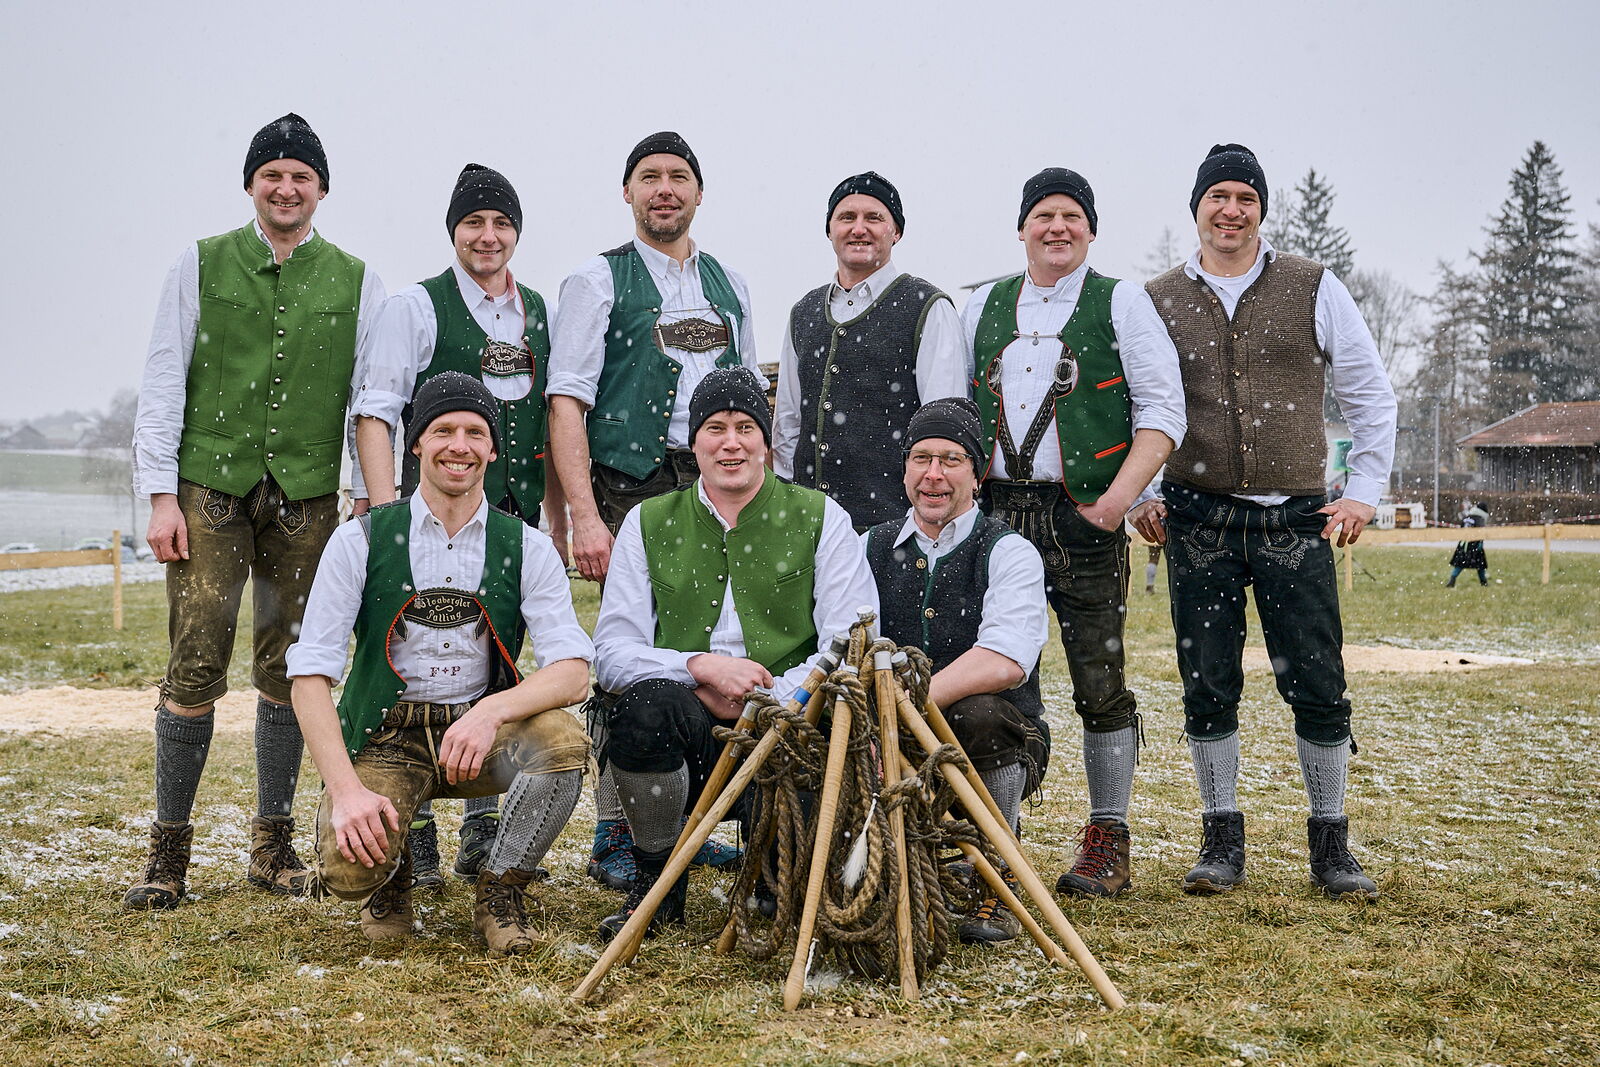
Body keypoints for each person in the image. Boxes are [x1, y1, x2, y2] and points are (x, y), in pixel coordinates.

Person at [126, 113, 385, 909]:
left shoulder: (357, 279)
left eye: (301, 175)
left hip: (308, 496)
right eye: (272, 174)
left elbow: (370, 400)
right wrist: (160, 495)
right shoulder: (200, 263)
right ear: (250, 184)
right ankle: (168, 853)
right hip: (209, 488)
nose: (286, 187)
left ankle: (271, 846)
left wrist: (368, 498)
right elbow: (164, 378)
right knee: (196, 658)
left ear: (322, 189)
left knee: (291, 664)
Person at [1138, 143, 1397, 902]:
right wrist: (1144, 491)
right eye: (1217, 197)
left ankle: (1331, 841)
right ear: (1196, 209)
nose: (1231, 211)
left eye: (1245, 198)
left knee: (1318, 680)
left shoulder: (1313, 285)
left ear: (1261, 210)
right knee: (1207, 680)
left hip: (1295, 519)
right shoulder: (1156, 298)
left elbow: (1369, 392)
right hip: (1197, 517)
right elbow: (1140, 404)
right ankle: (1221, 838)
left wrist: (1363, 491)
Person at [286, 372, 593, 954]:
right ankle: (390, 877)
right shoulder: (360, 540)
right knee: (346, 874)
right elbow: (308, 678)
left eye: (476, 433)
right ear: (416, 444)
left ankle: (501, 888)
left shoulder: (526, 545)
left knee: (562, 742)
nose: (460, 446)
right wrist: (347, 791)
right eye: (443, 430)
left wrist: (489, 713)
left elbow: (574, 671)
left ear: (493, 450)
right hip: (386, 736)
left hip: (479, 735)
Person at [589, 367, 878, 941]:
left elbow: (850, 643)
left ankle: (773, 866)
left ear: (766, 442)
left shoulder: (822, 517)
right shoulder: (647, 522)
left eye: (746, 427)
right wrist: (699, 668)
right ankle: (658, 882)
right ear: (692, 442)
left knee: (784, 896)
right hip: (690, 728)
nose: (731, 443)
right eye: (715, 428)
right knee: (643, 710)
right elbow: (613, 653)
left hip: (794, 727)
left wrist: (766, 695)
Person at [962, 168, 1187, 899]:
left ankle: (1108, 836)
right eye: (1044, 216)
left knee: (1099, 679)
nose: (1057, 228)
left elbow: (1163, 410)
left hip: (1083, 516)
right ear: (1022, 228)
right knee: (997, 676)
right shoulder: (982, 304)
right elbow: (954, 407)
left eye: (1071, 216)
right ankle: (994, 836)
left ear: (1091, 229)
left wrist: (1117, 501)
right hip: (996, 514)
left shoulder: (1121, 301)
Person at [546, 132, 757, 887]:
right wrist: (584, 515)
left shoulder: (730, 283)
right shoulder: (596, 280)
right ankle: (618, 829)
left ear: (698, 192)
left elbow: (748, 402)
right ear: (628, 192)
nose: (664, 188)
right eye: (649, 176)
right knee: (629, 653)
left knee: (711, 639)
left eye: (678, 176)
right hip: (629, 481)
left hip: (716, 480)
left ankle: (684, 823)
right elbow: (566, 401)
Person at [352, 163, 557, 890]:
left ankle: (481, 825)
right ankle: (414, 832)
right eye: (474, 222)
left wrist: (556, 521)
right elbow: (376, 411)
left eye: (502, 223)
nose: (488, 235)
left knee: (493, 664)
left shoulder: (537, 311)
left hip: (509, 517)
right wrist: (385, 516)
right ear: (453, 231)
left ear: (517, 233)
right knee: (415, 662)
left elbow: (545, 419)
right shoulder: (416, 305)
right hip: (425, 515)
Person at [861, 398, 1049, 943]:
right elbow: (846, 641)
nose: (934, 475)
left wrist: (907, 705)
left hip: (990, 737)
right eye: (921, 458)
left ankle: (997, 867)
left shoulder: (1008, 551)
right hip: (883, 733)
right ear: (905, 469)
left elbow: (1005, 659)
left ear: (976, 473)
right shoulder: (869, 547)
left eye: (951, 460)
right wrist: (875, 718)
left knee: (981, 715)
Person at [774, 172, 968, 530]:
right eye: (847, 217)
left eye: (874, 218)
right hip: (807, 524)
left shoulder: (928, 307)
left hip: (894, 527)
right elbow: (788, 423)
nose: (858, 228)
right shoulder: (803, 312)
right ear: (830, 230)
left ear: (896, 232)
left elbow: (944, 429)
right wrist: (785, 502)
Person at [1447, 502, 1490, 586]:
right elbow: (1481, 533)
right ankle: (1483, 581)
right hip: (1475, 545)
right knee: (1480, 565)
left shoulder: (1467, 517)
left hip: (1463, 544)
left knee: (1460, 563)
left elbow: (1461, 528)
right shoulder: (1479, 519)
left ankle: (1452, 579)